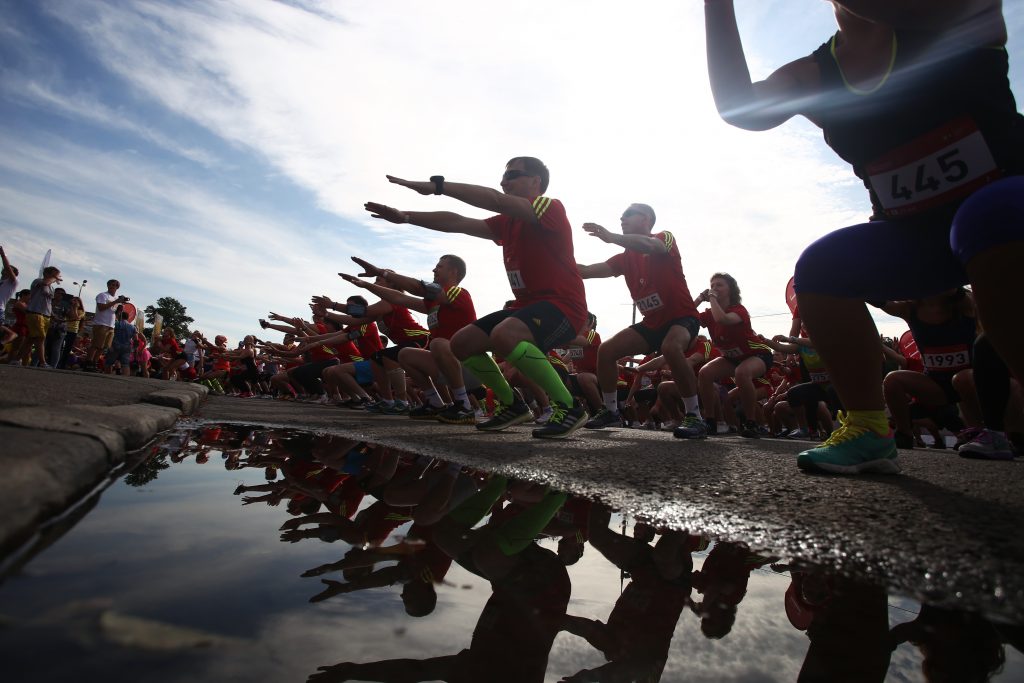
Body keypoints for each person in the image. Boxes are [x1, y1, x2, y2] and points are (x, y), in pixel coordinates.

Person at [705, 0, 1024, 473]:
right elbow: (739, 105)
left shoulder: (954, 11)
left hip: (1008, 208)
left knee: (983, 216)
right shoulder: (819, 73)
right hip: (917, 235)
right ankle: (869, 428)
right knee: (822, 266)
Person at [364, 157, 590, 438]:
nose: (504, 182)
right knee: (462, 343)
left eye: (513, 175)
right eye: (503, 177)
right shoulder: (507, 223)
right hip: (526, 307)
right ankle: (512, 405)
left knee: (505, 335)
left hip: (564, 306)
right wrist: (407, 216)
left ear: (536, 182)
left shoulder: (549, 207)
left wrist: (438, 186)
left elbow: (495, 199)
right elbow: (457, 222)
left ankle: (569, 407)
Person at [576, 203, 706, 438]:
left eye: (627, 215)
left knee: (671, 346)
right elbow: (586, 271)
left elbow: (650, 245)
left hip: (682, 317)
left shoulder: (663, 237)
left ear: (645, 218)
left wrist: (611, 237)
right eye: (621, 217)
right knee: (606, 350)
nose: (621, 219)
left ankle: (695, 416)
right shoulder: (624, 258)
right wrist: (554, 260)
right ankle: (611, 410)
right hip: (652, 323)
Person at [342, 254, 479, 424]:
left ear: (454, 272)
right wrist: (365, 285)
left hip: (473, 366)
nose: (434, 269)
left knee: (436, 343)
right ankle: (435, 403)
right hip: (448, 364)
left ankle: (464, 406)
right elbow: (401, 298)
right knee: (405, 354)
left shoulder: (458, 293)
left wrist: (381, 272)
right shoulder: (434, 303)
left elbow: (418, 288)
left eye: (440, 266)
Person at [691, 273, 773, 438]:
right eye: (712, 285)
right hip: (732, 358)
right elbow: (688, 317)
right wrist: (700, 298)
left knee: (742, 372)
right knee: (705, 373)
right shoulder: (709, 313)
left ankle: (752, 423)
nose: (714, 288)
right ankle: (710, 421)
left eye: (719, 285)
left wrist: (712, 298)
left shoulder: (738, 310)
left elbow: (722, 319)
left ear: (730, 290)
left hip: (758, 354)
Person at [18, 265, 62, 367]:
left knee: (30, 339)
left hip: (45, 315)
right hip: (35, 313)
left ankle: (16, 359)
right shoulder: (38, 281)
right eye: (54, 275)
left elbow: (48, 303)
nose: (57, 278)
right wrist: (54, 278)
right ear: (47, 274)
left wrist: (52, 315)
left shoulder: (51, 287)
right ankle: (42, 362)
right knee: (41, 338)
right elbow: (45, 282)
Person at [86, 279, 129, 371]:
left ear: (117, 287)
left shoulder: (116, 299)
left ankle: (94, 363)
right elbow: (101, 308)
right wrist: (116, 301)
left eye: (114, 285)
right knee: (96, 345)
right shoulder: (103, 295)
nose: (112, 286)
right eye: (111, 285)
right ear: (107, 285)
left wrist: (119, 309)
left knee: (103, 347)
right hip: (101, 323)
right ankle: (88, 363)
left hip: (111, 325)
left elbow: (115, 314)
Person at [0, 246, 20, 347]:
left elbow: (7, 266)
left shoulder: (13, 282)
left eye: (9, 269)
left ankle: (10, 335)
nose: (5, 269)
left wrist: (3, 255)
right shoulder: (2, 282)